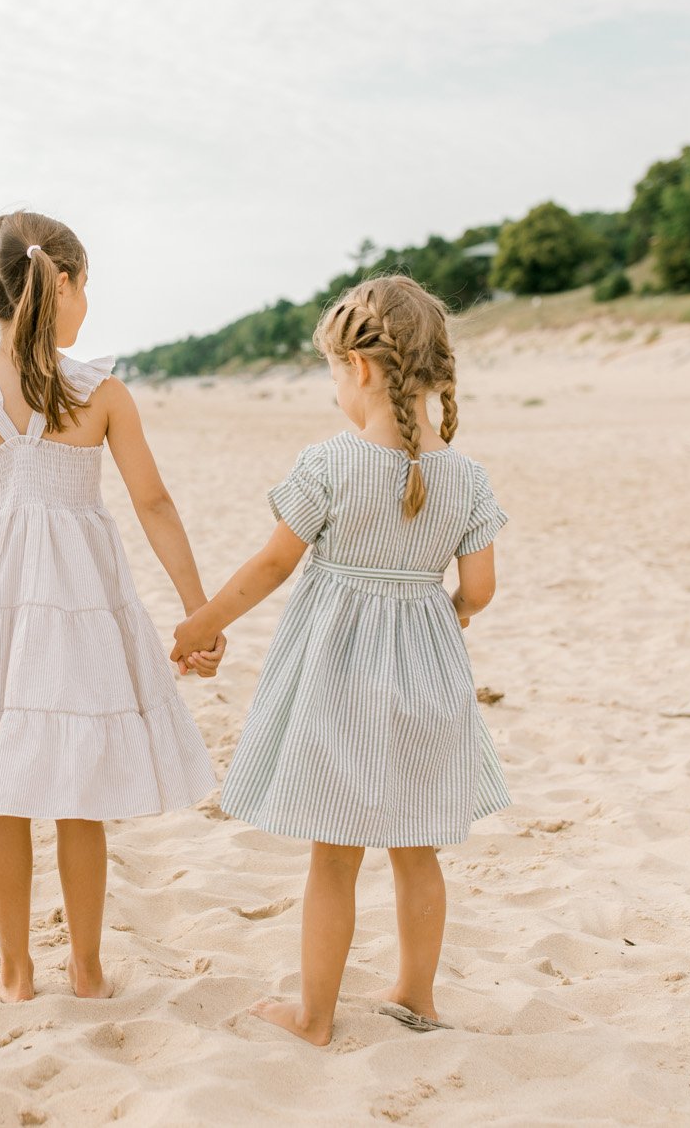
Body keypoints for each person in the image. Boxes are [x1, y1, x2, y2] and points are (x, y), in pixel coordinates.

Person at [0, 210, 221, 1003]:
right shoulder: (101, 392)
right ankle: (89, 968)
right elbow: (155, 504)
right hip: (81, 601)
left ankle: (14, 972)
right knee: (79, 791)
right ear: (60, 282)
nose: (87, 299)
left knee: (4, 785)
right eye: (86, 284)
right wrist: (197, 608)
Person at [170, 274, 510, 1046]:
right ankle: (417, 995)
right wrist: (446, 612)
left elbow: (271, 565)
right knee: (417, 845)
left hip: (340, 681)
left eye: (331, 368)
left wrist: (203, 623)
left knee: (336, 852)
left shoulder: (328, 464)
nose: (332, 384)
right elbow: (481, 587)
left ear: (359, 368)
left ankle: (314, 1014)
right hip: (428, 675)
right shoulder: (465, 476)